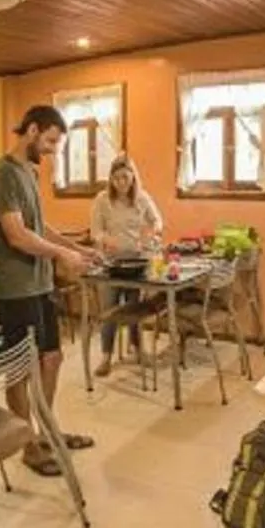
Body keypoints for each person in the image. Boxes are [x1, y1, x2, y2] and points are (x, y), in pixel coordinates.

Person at [0, 105, 97, 477]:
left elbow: (36, 225)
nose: (51, 150)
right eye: (49, 141)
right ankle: (27, 443)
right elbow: (15, 235)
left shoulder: (29, 173)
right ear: (31, 130)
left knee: (52, 358)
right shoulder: (2, 173)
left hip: (40, 283)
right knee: (19, 369)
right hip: (14, 289)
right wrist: (62, 254)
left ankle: (48, 428)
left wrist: (77, 248)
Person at [90, 154, 163, 377]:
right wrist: (104, 239)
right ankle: (105, 356)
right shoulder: (102, 200)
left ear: (133, 177)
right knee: (110, 311)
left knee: (134, 310)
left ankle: (139, 349)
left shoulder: (141, 198)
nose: (121, 183)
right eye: (116, 179)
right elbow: (95, 231)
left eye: (125, 178)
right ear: (110, 179)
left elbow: (157, 221)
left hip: (137, 262)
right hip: (111, 264)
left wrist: (152, 232)